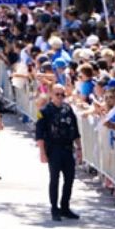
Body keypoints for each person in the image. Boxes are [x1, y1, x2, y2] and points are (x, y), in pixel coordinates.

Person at [35, 85, 82, 221]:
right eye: (57, 94)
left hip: (67, 148)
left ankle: (65, 207)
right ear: (51, 94)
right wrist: (42, 152)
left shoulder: (68, 109)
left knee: (69, 179)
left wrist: (79, 148)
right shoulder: (44, 111)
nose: (60, 97)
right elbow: (39, 134)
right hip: (53, 149)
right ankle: (54, 208)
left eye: (62, 95)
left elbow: (75, 130)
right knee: (54, 179)